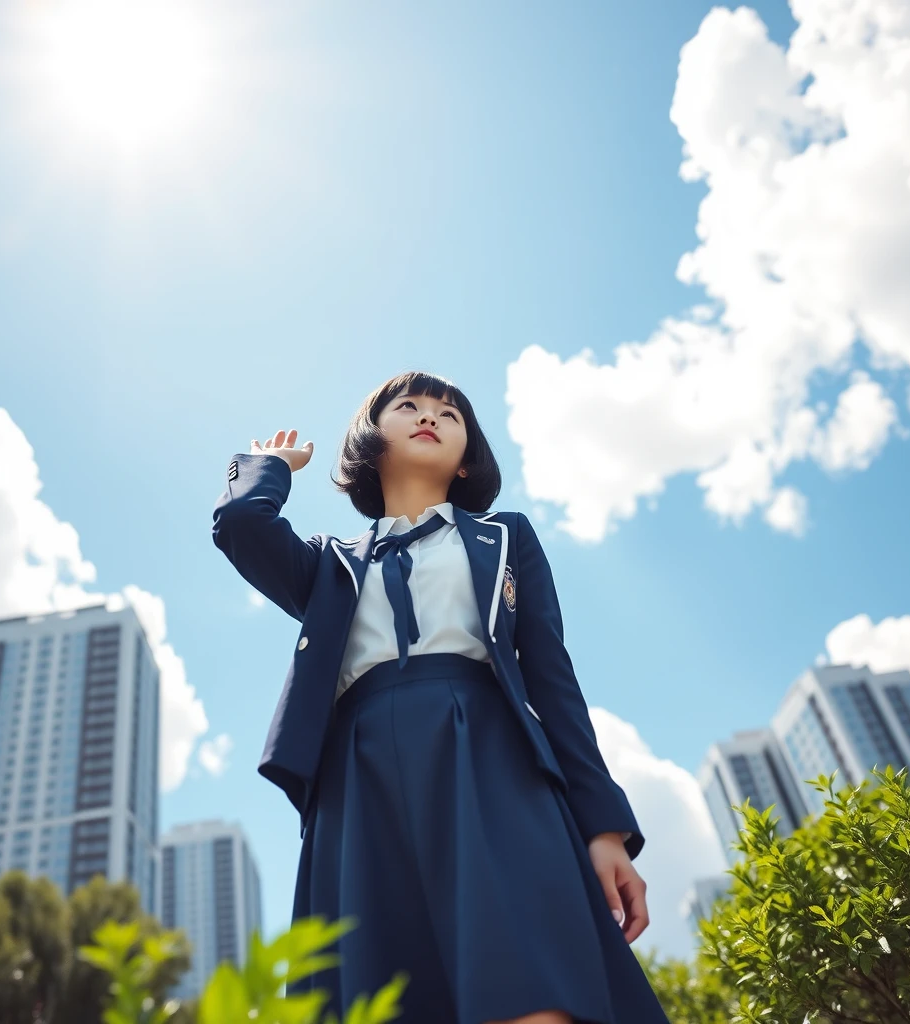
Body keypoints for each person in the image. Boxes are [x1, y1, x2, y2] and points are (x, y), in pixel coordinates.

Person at [211, 370, 672, 1024]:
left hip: (492, 763)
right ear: (372, 441)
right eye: (409, 405)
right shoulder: (329, 565)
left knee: (531, 979)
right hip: (358, 783)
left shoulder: (507, 539)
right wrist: (269, 466)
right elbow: (239, 524)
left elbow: (553, 681)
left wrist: (605, 827)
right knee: (383, 992)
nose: (430, 415)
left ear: (467, 459)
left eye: (450, 413)